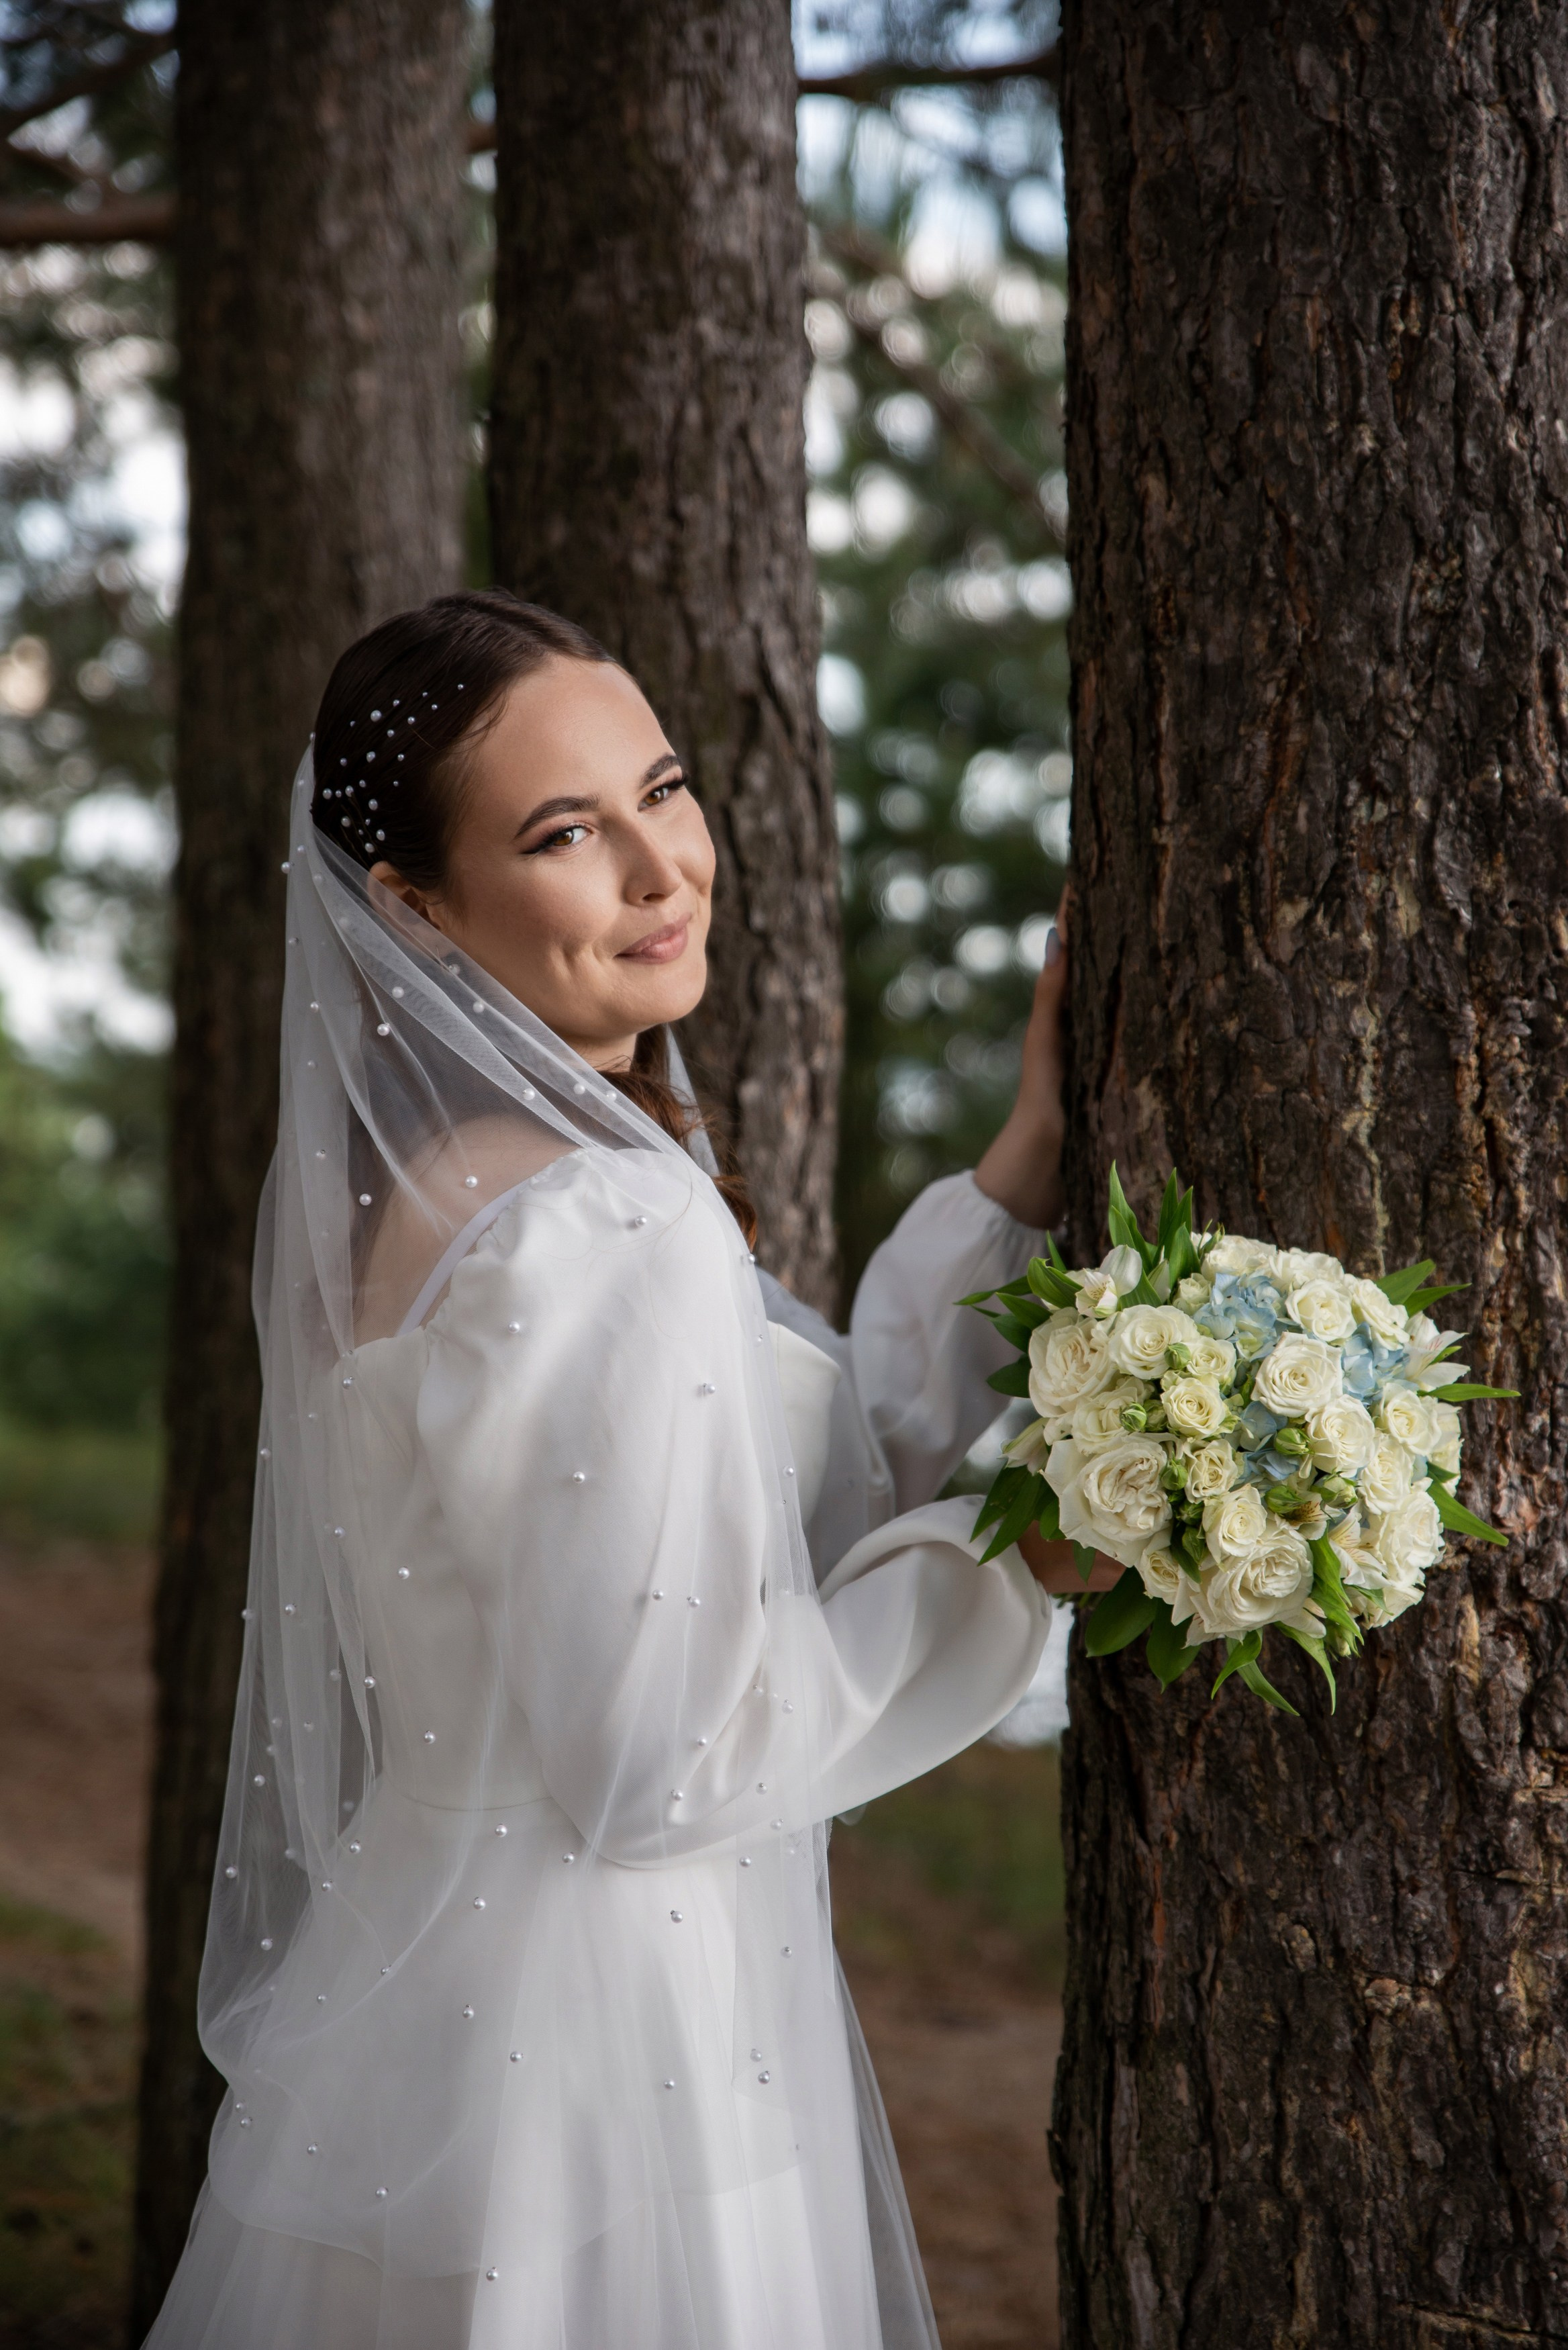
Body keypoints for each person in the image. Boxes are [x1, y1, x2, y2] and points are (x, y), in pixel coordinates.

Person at [144, 590, 1107, 2350]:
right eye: (566, 832)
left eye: (663, 789)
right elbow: (677, 1758)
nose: (664, 867)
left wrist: (1019, 1175)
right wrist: (1019, 1563)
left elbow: (744, 1498)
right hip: (614, 2045)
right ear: (417, 912)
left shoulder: (424, 1189)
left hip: (424, 2025)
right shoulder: (604, 1214)